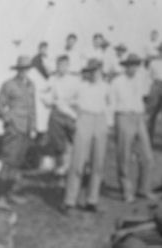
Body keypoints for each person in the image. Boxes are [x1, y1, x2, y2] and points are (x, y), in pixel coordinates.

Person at [62, 59, 109, 214]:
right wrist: (75, 116)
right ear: (88, 72)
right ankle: (70, 201)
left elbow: (111, 104)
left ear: (101, 70)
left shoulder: (106, 86)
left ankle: (92, 200)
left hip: (100, 121)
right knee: (78, 162)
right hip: (84, 119)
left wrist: (108, 121)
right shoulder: (80, 86)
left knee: (98, 162)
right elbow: (63, 101)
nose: (95, 73)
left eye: (98, 70)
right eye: (92, 70)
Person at [111, 53, 155, 203]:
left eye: (136, 65)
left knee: (147, 156)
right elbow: (110, 103)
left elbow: (144, 97)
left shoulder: (141, 80)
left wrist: (144, 114)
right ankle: (126, 191)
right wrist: (112, 124)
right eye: (131, 65)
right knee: (124, 156)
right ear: (125, 66)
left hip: (138, 117)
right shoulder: (117, 82)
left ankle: (143, 189)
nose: (133, 68)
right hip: (123, 116)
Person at [0, 56, 36, 209]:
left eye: (27, 68)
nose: (24, 71)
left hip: (26, 130)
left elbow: (33, 109)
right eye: (21, 69)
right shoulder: (9, 85)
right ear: (17, 70)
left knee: (17, 162)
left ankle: (10, 192)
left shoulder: (31, 85)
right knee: (8, 162)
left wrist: (33, 127)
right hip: (13, 129)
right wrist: (8, 119)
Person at [44, 55, 79, 176]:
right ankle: (61, 166)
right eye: (59, 65)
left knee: (76, 140)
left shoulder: (74, 80)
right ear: (57, 66)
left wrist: (72, 103)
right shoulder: (52, 79)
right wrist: (51, 101)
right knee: (57, 141)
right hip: (57, 113)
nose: (62, 68)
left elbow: (79, 97)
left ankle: (78, 166)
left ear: (68, 66)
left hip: (71, 113)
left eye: (64, 65)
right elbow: (45, 95)